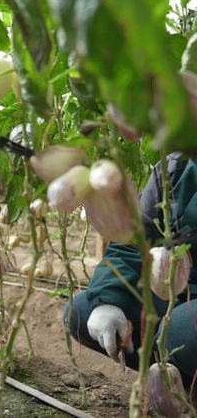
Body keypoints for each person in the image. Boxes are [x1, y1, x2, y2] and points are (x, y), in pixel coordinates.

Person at [64, 153, 197, 415]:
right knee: (81, 311)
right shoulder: (173, 165)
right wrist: (109, 300)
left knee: (182, 328)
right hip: (176, 292)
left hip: (186, 308)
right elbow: (134, 238)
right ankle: (181, 389)